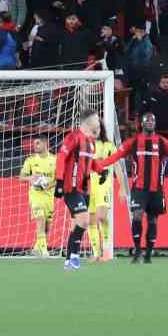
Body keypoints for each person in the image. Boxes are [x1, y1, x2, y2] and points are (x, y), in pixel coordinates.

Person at [96, 112, 168, 264]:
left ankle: (148, 254)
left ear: (155, 124)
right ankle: (137, 250)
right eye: (147, 120)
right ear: (141, 124)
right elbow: (115, 156)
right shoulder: (133, 142)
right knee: (137, 216)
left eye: (152, 120)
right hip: (139, 188)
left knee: (153, 221)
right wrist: (97, 165)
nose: (150, 122)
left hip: (156, 189)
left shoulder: (163, 142)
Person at [53, 111, 102, 271]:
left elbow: (90, 162)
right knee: (85, 220)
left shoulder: (91, 143)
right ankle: (75, 256)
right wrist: (59, 181)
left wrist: (101, 170)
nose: (98, 121)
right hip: (71, 187)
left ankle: (68, 262)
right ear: (87, 122)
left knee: (77, 225)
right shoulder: (73, 137)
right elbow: (61, 158)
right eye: (96, 119)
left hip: (84, 189)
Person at [19, 135, 58, 257]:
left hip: (49, 197)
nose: (34, 146)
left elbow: (59, 179)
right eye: (34, 144)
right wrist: (30, 178)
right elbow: (21, 177)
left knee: (46, 226)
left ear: (45, 144)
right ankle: (45, 251)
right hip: (35, 196)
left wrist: (50, 185)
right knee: (40, 219)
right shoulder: (30, 160)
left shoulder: (55, 160)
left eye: (37, 143)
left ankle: (37, 248)